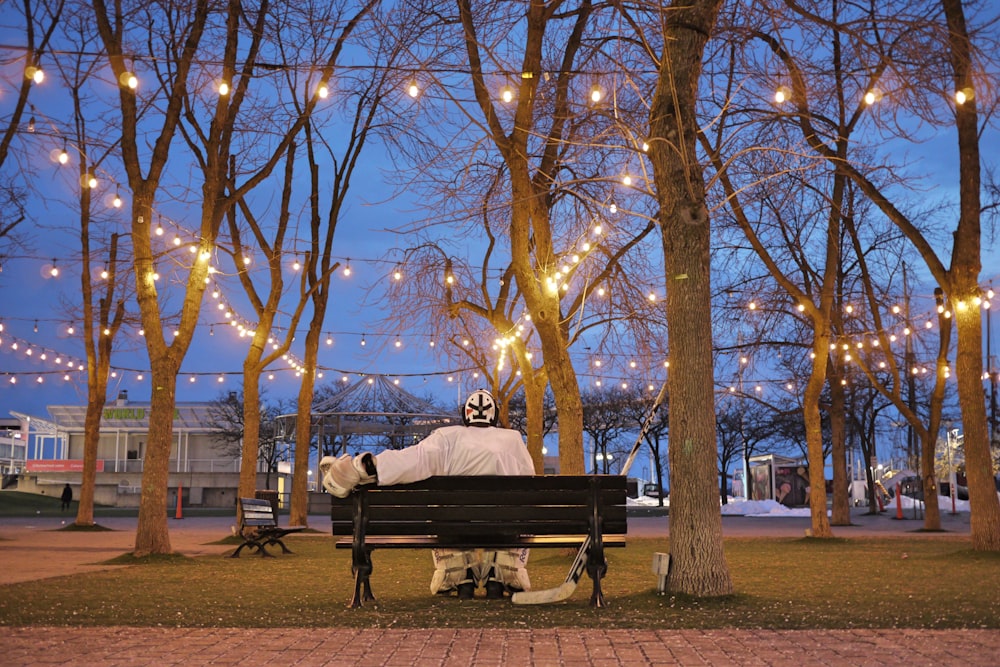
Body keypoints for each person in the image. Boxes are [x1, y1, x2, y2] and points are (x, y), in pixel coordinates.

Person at [320, 389, 534, 600]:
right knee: (508, 517)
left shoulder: (447, 437)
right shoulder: (513, 440)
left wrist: (369, 467)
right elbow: (529, 487)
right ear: (494, 414)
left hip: (453, 529)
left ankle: (461, 577)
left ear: (465, 413)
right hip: (504, 530)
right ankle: (499, 577)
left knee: (447, 516)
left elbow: (413, 461)